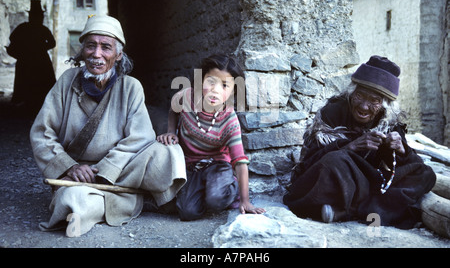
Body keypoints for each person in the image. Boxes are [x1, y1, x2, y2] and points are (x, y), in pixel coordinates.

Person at [30, 15, 186, 237]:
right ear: (82, 50)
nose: (97, 54)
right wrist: (69, 167)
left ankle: (108, 196)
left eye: (106, 47)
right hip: (77, 175)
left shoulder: (131, 87)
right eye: (91, 46)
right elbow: (42, 132)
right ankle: (127, 199)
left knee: (168, 153)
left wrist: (105, 170)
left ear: (118, 54)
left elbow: (140, 137)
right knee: (72, 198)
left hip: (120, 169)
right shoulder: (66, 81)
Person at [283, 55, 436, 229]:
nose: (364, 107)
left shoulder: (389, 120)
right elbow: (308, 164)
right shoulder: (333, 111)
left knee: (426, 174)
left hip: (370, 182)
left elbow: (410, 165)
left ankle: (352, 211)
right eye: (360, 96)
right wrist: (351, 146)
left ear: (385, 104)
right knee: (334, 162)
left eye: (374, 101)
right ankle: (374, 209)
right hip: (343, 179)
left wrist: (401, 149)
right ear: (351, 92)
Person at [157, 54, 265, 220]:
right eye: (211, 81)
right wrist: (171, 131)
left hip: (217, 164)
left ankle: (230, 187)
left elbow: (240, 161)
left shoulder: (229, 120)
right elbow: (173, 110)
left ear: (233, 91)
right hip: (190, 164)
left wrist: (245, 201)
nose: (216, 90)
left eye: (224, 85)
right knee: (187, 212)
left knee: (216, 199)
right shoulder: (186, 97)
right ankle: (203, 191)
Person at [6, 0, 56, 115]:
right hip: (39, 60)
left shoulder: (23, 28)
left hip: (26, 60)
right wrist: (41, 47)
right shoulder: (42, 29)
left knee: (28, 82)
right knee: (38, 82)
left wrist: (25, 48)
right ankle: (34, 106)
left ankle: (29, 105)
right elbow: (52, 43)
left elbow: (12, 38)